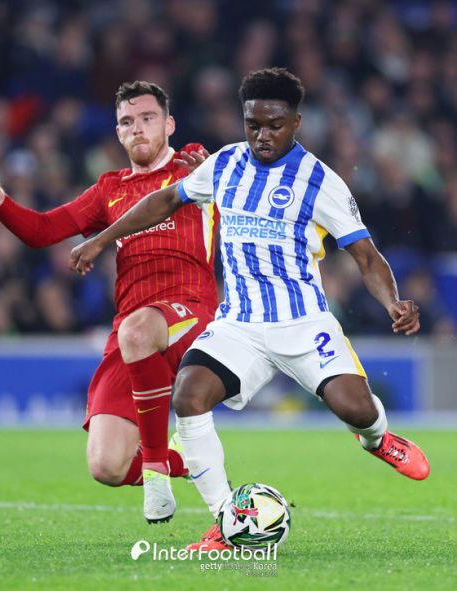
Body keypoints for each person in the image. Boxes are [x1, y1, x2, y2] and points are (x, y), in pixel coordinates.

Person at [69, 68, 430, 547]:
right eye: (253, 124)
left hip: (303, 322)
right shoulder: (225, 164)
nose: (262, 135)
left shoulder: (319, 181)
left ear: (296, 122)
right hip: (239, 324)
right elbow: (165, 200)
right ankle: (228, 520)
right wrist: (101, 239)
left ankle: (378, 439)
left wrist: (392, 302)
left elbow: (366, 255)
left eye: (274, 125)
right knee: (189, 396)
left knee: (356, 409)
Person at [0, 81, 219, 524]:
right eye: (127, 122)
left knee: (138, 330)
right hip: (131, 331)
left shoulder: (194, 165)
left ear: (169, 124)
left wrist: (217, 176)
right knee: (106, 466)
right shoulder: (109, 189)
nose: (138, 128)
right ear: (117, 133)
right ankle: (188, 461)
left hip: (190, 311)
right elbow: (42, 231)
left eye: (148, 118)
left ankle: (155, 472)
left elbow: (231, 188)